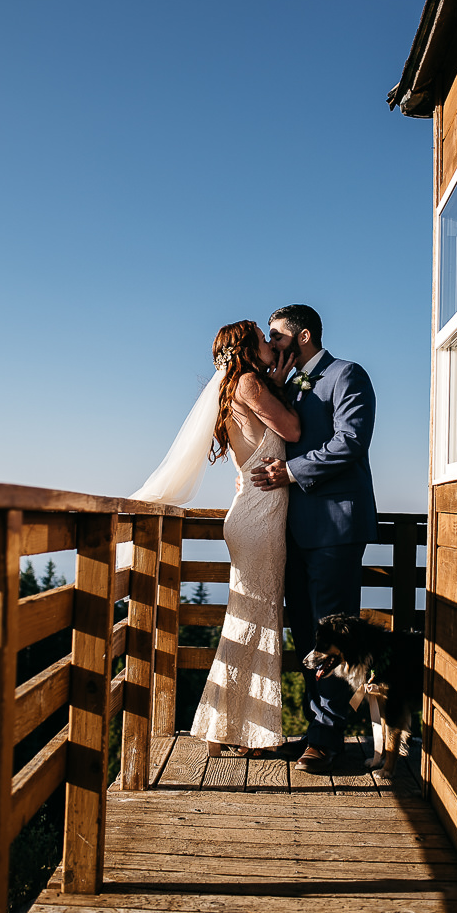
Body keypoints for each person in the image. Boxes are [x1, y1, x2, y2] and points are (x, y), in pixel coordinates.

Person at [130, 319, 299, 756]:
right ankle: (236, 731)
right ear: (246, 348)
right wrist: (279, 386)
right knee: (254, 624)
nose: (270, 344)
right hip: (260, 522)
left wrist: (274, 383)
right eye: (263, 340)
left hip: (251, 517)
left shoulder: (235, 388)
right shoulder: (248, 384)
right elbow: (294, 431)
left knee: (249, 623)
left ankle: (230, 727)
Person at [250, 304, 377, 773]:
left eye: (277, 336)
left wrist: (290, 471)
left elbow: (351, 441)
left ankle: (328, 739)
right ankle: (313, 728)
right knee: (304, 633)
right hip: (293, 531)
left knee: (333, 637)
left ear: (302, 336)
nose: (271, 343)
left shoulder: (347, 375)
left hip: (336, 528)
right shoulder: (286, 384)